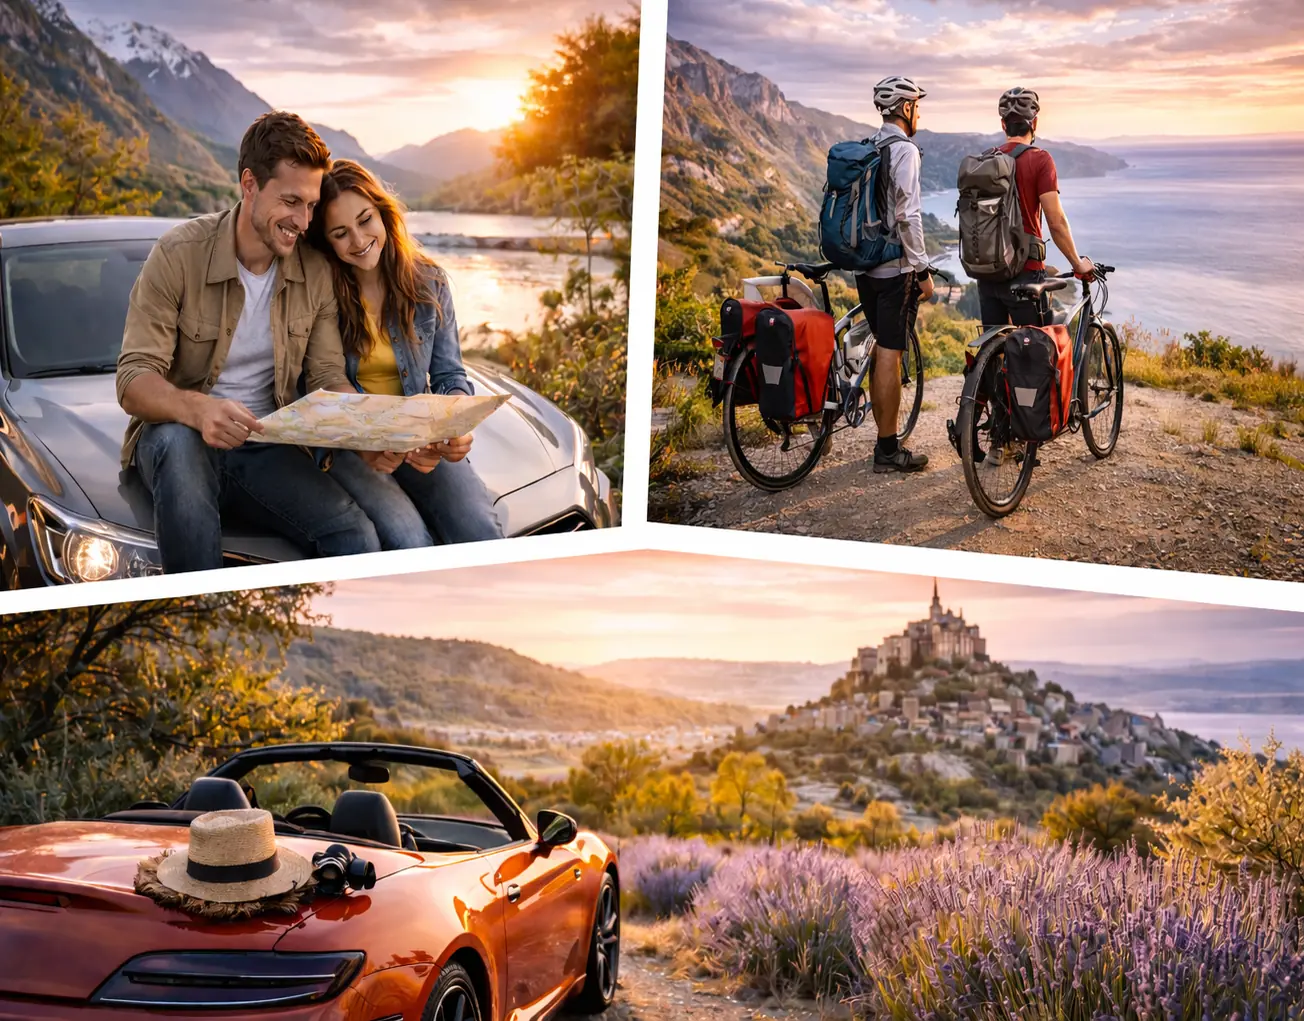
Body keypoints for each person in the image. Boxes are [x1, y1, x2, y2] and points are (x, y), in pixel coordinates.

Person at [117, 111, 390, 573]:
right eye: (290, 201)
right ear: (249, 184)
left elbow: (327, 378)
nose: (304, 221)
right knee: (180, 449)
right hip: (180, 436)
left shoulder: (315, 271)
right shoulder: (178, 255)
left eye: (310, 205)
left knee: (356, 535)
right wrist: (199, 410)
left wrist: (371, 430)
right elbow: (132, 379)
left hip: (265, 444)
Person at [306, 160, 505, 547]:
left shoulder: (429, 282)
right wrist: (370, 440)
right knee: (408, 538)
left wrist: (455, 426)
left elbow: (449, 376)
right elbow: (323, 382)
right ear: (326, 241)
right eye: (340, 233)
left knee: (479, 531)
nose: (359, 239)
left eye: (365, 220)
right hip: (352, 443)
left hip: (418, 438)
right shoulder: (321, 292)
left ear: (383, 212)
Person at [857, 75, 932, 474]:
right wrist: (921, 269)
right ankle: (887, 448)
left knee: (880, 346)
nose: (918, 112)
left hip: (864, 265)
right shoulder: (904, 150)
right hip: (893, 269)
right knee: (890, 350)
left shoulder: (870, 146)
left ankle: (883, 435)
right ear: (905, 108)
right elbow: (907, 213)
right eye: (917, 105)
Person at [977, 87, 1095, 328]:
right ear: (1035, 123)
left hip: (987, 273)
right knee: (1035, 353)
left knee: (995, 346)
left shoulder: (986, 160)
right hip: (1025, 273)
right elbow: (1056, 222)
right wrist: (1077, 263)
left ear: (1003, 125)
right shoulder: (1041, 160)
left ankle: (984, 364)